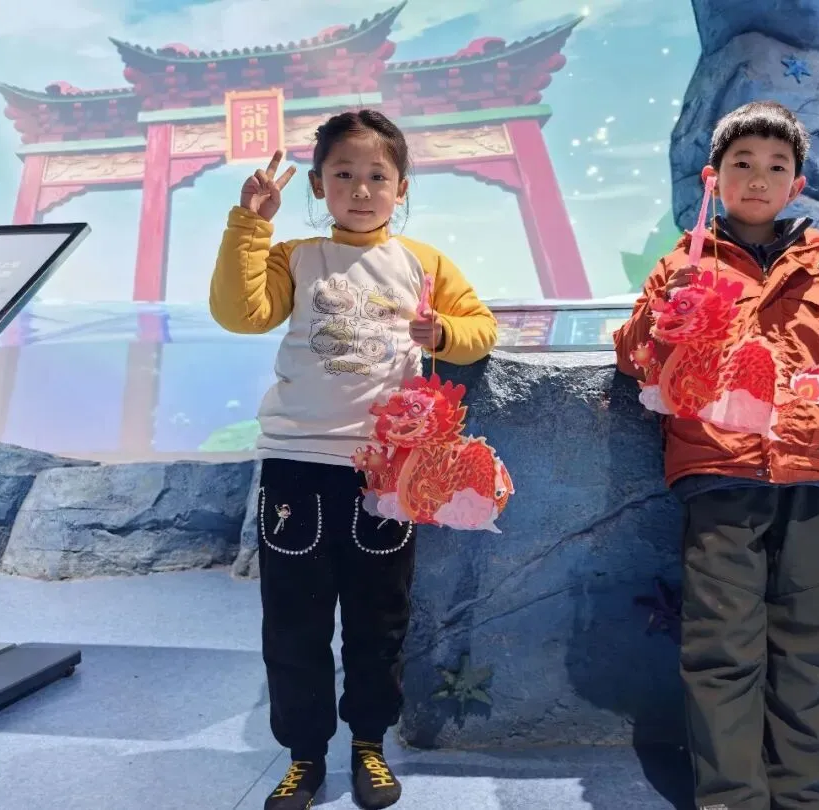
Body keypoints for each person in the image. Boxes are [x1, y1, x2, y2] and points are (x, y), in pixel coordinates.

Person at [613, 100, 819, 809]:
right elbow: (634, 358)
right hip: (718, 473)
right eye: (742, 164)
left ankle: (805, 796)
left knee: (817, 644)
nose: (758, 178)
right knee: (722, 644)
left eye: (776, 167)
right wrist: (663, 316)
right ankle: (731, 797)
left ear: (797, 185)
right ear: (713, 177)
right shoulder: (682, 264)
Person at [209, 110, 497, 810]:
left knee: (379, 621)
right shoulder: (296, 255)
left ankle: (370, 745)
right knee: (293, 623)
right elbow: (240, 313)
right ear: (317, 184)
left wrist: (444, 331)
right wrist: (250, 225)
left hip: (386, 472)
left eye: (377, 176)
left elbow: (481, 330)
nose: (361, 190)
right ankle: (304, 757)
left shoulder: (424, 262)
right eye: (344, 174)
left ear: (402, 188)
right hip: (296, 466)